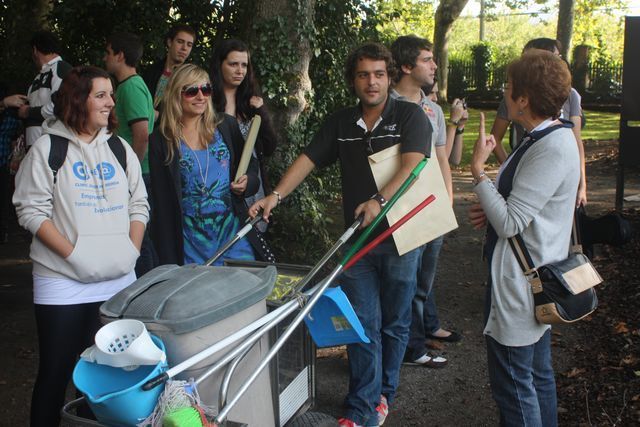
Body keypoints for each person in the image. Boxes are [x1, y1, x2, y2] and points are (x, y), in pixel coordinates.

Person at [249, 42, 432, 427]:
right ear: (354, 79)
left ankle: (385, 394)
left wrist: (378, 200)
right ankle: (361, 406)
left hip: (401, 235)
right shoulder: (341, 122)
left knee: (394, 323)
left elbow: (413, 166)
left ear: (390, 76)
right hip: (358, 241)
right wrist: (275, 195)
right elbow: (308, 159)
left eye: (379, 74)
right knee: (361, 322)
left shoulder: (411, 116)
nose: (372, 82)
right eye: (364, 74)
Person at [12, 66, 149, 426]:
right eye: (100, 95)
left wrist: (131, 252)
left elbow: (139, 204)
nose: (110, 102)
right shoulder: (48, 148)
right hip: (62, 283)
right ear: (78, 99)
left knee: (100, 379)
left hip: (116, 282)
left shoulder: (120, 149)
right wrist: (75, 256)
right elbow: (29, 210)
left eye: (111, 95)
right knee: (55, 374)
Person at [469, 50, 579, 426]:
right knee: (536, 375)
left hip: (522, 284)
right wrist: (491, 205)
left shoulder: (550, 147)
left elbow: (512, 223)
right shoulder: (546, 137)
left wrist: (478, 173)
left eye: (509, 86)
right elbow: (527, 205)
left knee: (515, 388)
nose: (504, 91)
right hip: (535, 275)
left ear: (523, 99)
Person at [149, 64, 268, 266]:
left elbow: (252, 166)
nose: (201, 96)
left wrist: (247, 182)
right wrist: (167, 260)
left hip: (232, 234)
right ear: (176, 95)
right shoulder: (161, 140)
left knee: (243, 289)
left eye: (206, 89)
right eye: (192, 91)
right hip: (189, 242)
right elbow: (161, 205)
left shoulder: (225, 126)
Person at [390, 35, 461, 369]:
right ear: (406, 66)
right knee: (399, 283)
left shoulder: (432, 110)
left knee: (423, 284)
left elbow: (441, 159)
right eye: (427, 60)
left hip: (432, 209)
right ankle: (408, 348)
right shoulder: (384, 105)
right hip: (399, 211)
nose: (435, 66)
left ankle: (414, 344)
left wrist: (447, 200)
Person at [489, 37, 587, 207]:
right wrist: (511, 168)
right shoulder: (514, 98)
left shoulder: (570, 97)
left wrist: (582, 185)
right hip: (529, 170)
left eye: (559, 57)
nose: (559, 62)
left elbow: (576, 141)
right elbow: (495, 137)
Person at [104, 31, 157, 276]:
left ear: (120, 55)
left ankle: (148, 293)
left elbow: (142, 134)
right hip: (133, 173)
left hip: (137, 175)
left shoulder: (132, 87)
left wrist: (130, 173)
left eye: (108, 52)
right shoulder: (129, 86)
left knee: (140, 239)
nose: (105, 58)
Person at [210, 39, 278, 226]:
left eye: (244, 65)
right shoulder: (206, 102)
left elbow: (270, 146)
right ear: (220, 64)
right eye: (233, 64)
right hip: (216, 186)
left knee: (250, 241)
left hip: (250, 185)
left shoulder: (252, 102)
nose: (240, 70)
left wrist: (261, 112)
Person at [17, 31, 72, 147]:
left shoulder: (61, 69)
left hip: (53, 147)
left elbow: (61, 105)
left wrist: (28, 112)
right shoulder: (38, 77)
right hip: (34, 148)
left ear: (35, 50)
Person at [142, 24, 196, 118]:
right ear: (169, 42)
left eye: (189, 45)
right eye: (180, 42)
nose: (184, 48)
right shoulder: (152, 70)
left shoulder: (190, 78)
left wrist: (159, 116)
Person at [0, 86, 25, 243]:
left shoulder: (12, 117)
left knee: (4, 199)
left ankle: (4, 232)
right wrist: (3, 103)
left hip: (4, 163)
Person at [424, 81, 468, 166]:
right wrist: (453, 122)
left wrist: (460, 127)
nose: (435, 98)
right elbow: (441, 160)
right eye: (431, 93)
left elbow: (455, 160)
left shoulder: (436, 112)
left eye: (436, 93)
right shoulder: (422, 115)